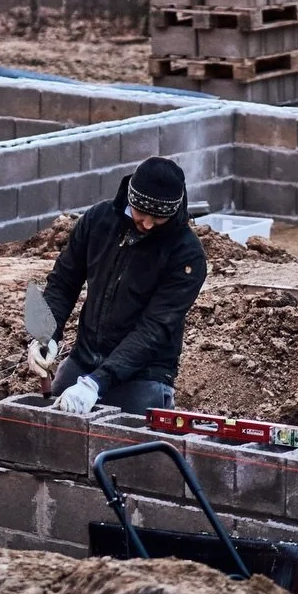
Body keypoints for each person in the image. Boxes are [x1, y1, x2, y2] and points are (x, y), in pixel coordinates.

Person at [27, 156, 207, 416]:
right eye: (141, 213)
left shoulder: (186, 255)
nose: (146, 224)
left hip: (143, 374)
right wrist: (47, 337)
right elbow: (63, 283)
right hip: (85, 360)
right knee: (53, 427)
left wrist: (97, 382)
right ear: (131, 198)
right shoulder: (98, 221)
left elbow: (153, 329)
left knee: (128, 449)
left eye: (158, 219)